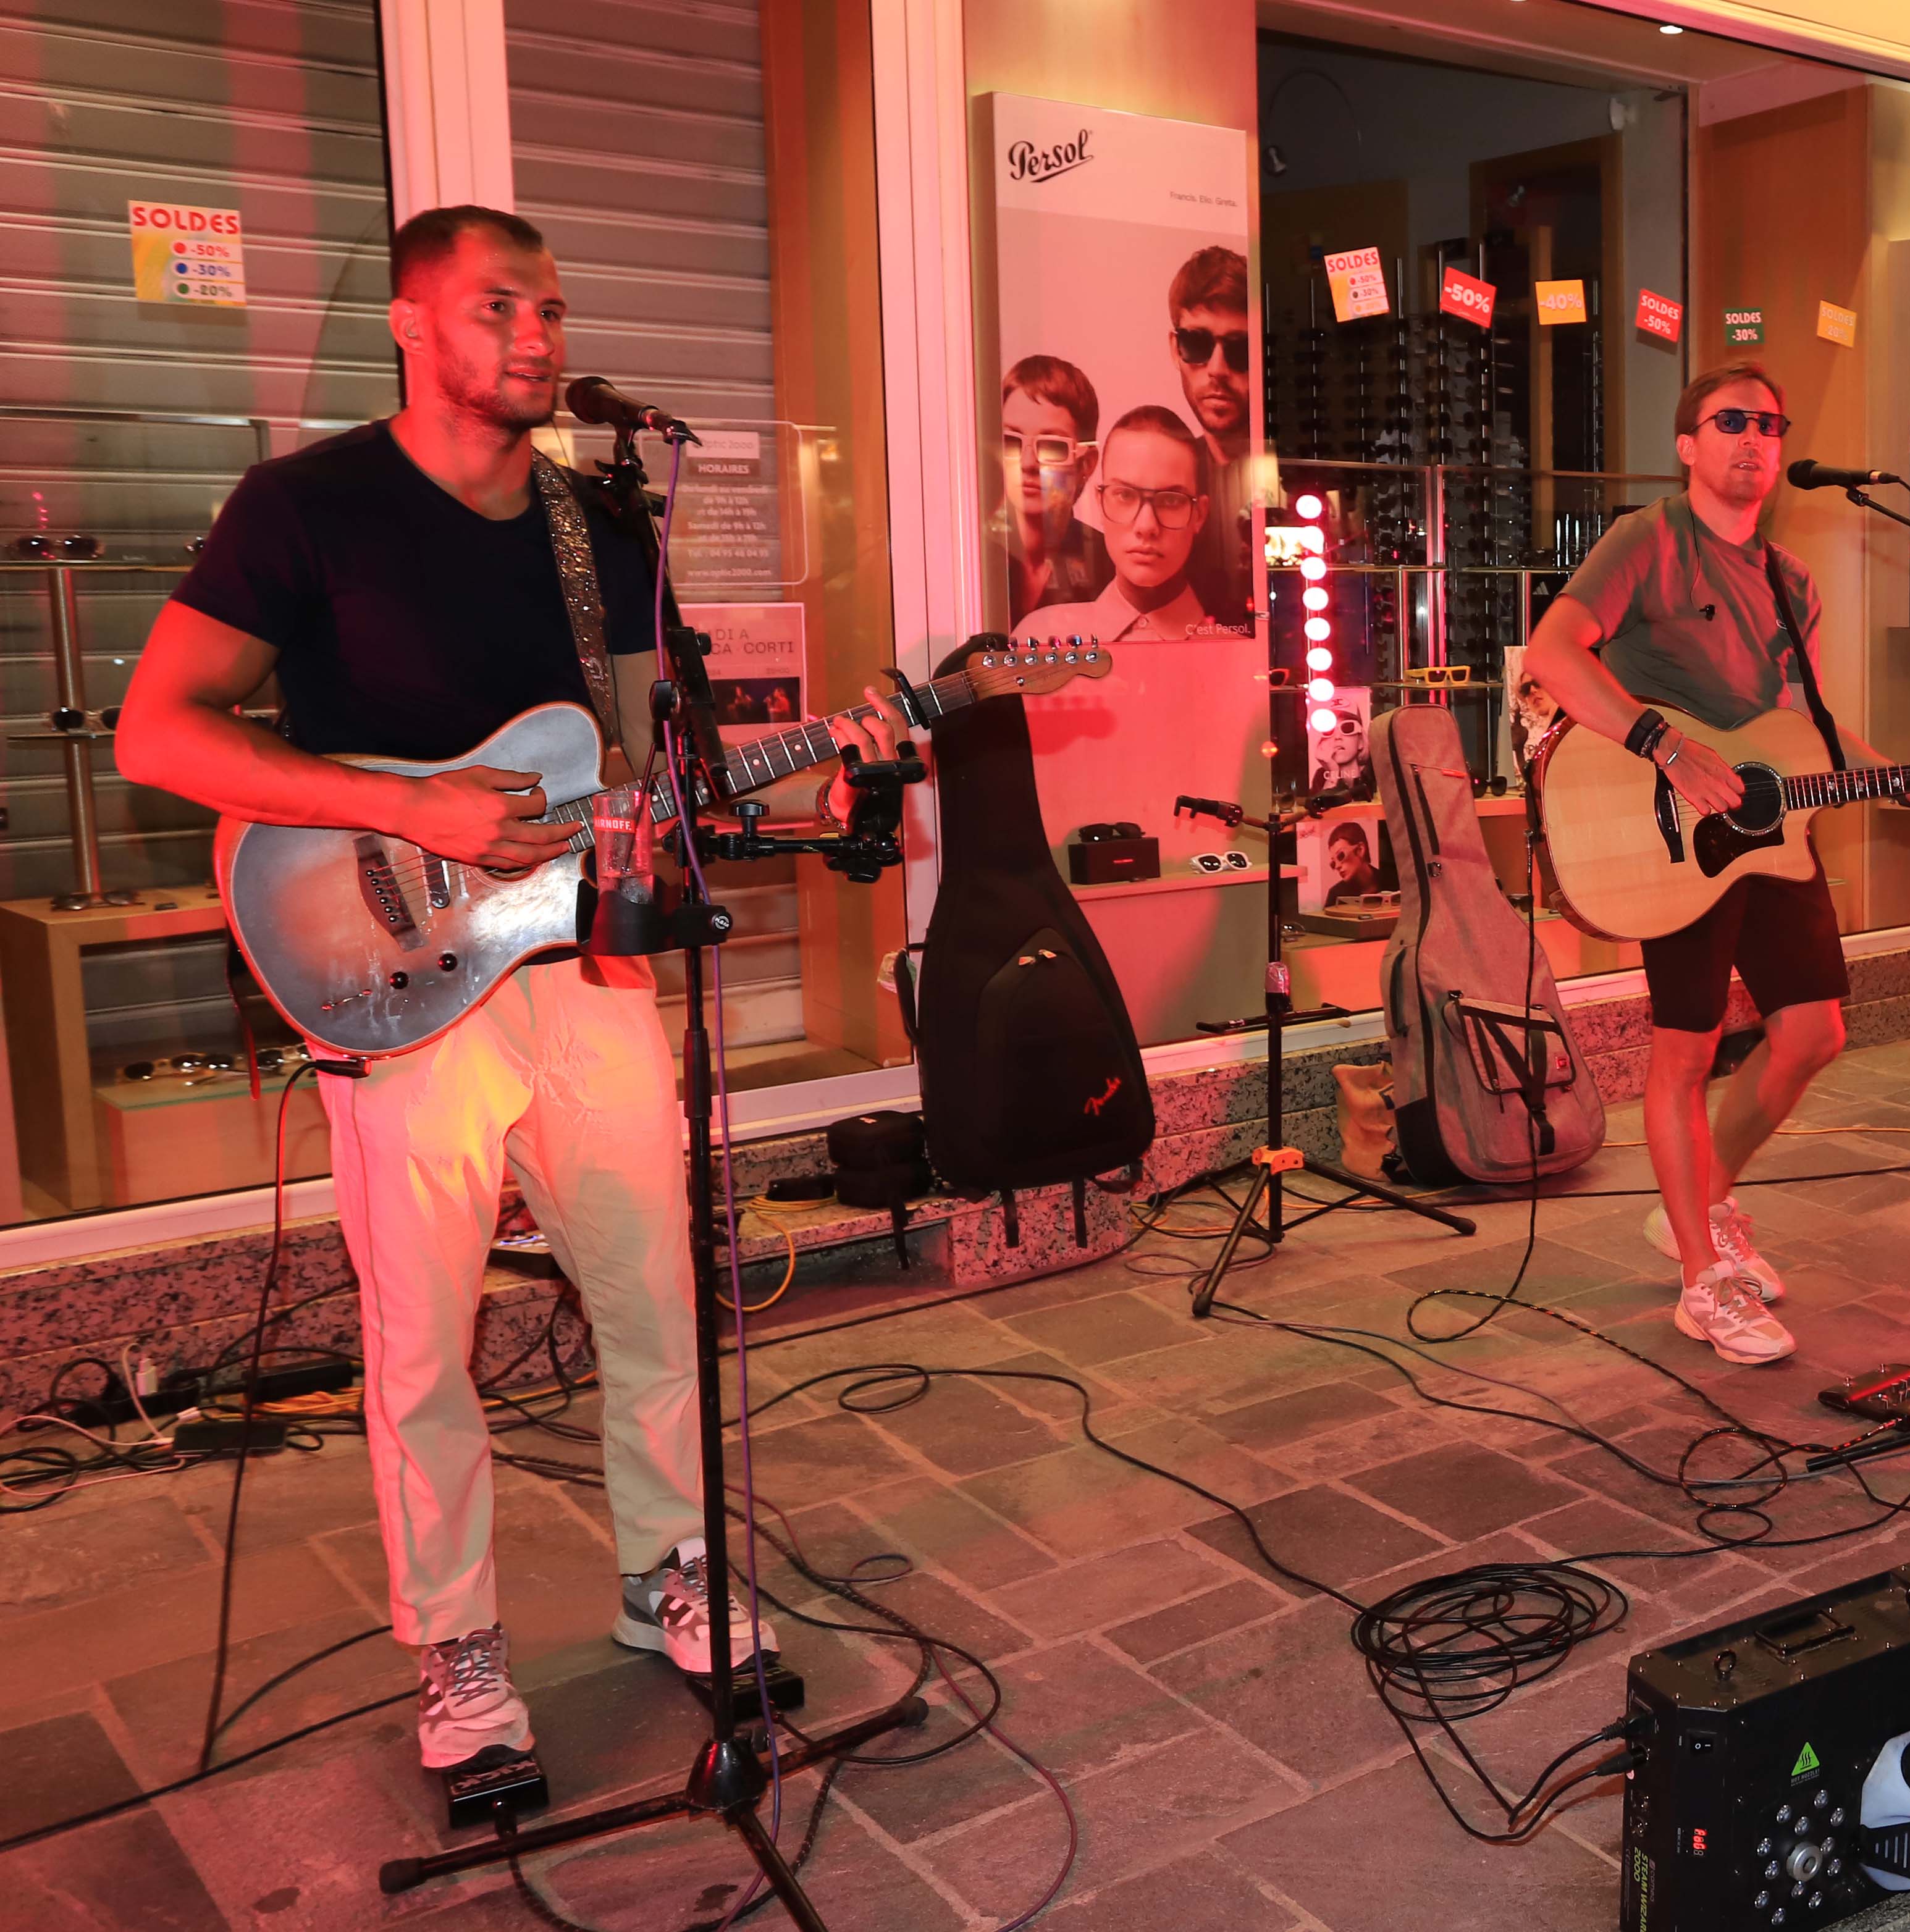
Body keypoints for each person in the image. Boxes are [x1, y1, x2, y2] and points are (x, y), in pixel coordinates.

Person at [116, 204, 899, 1778]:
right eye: (497, 309)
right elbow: (158, 733)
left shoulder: (599, 532)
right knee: (422, 1343)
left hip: (585, 966)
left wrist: (814, 777)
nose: (536, 337)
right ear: (412, 325)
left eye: (548, 309)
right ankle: (456, 1645)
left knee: (659, 1300)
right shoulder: (305, 506)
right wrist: (408, 809)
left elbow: (654, 777)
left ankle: (669, 1568)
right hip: (394, 979)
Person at [1523, 361, 1910, 1366]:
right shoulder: (1646, 542)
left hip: (1772, 834)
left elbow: (1811, 734)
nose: (1754, 438)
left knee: (1813, 1032)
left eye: (1770, 424)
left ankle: (1703, 1198)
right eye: (1730, 420)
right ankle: (1704, 1278)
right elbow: (1551, 653)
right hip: (1668, 830)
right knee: (1684, 1052)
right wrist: (1663, 746)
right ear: (1688, 443)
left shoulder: (1792, 583)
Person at [1014, 406, 1222, 644]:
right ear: (1100, 503)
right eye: (1124, 495)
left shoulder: (1239, 656)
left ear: (1200, 515)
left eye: (1171, 500)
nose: (1146, 526)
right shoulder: (1037, 639)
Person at [1166, 246, 1255, 626]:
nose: (1217, 369)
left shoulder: (1298, 472)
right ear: (1176, 349)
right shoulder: (1162, 485)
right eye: (1198, 344)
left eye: (1240, 350)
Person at [994, 355, 1112, 621]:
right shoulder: (971, 556)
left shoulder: (1111, 567)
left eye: (1051, 446)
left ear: (1087, 464)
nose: (1027, 463)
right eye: (1010, 441)